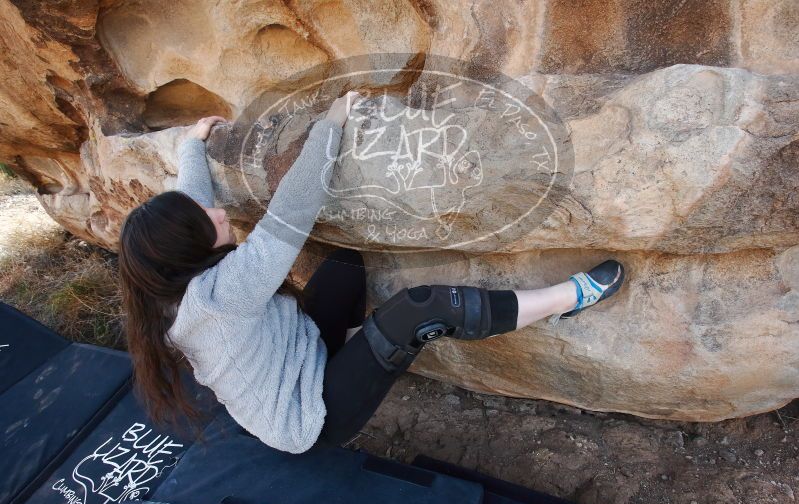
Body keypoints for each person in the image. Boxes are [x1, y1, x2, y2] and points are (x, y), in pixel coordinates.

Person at [118, 90, 625, 454]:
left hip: (301, 353)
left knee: (343, 265)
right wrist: (330, 125)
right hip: (308, 415)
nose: (220, 214)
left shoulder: (170, 281)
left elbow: (191, 208)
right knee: (417, 310)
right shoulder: (218, 298)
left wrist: (192, 145)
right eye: (207, 223)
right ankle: (566, 297)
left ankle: (367, 346)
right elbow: (291, 212)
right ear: (188, 253)